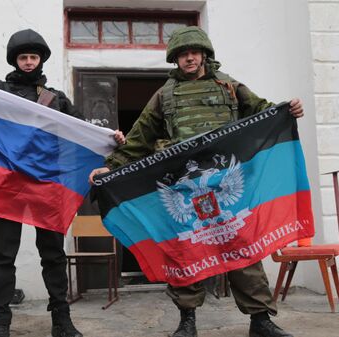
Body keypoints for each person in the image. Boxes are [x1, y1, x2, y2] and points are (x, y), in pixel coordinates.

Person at [89, 26, 303, 337]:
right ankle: (186, 321)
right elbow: (139, 138)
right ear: (175, 60)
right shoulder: (164, 96)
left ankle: (261, 321)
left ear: (204, 54)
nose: (189, 58)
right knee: (187, 251)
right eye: (182, 54)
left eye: (194, 52)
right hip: (186, 189)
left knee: (244, 250)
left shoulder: (228, 86)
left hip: (229, 183)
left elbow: (263, 111)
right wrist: (111, 167)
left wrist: (288, 110)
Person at [0, 29, 124, 337]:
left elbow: (84, 131)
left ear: (40, 60)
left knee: (53, 255)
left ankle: (62, 321)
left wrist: (112, 138)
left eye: (33, 57)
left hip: (48, 186)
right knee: (3, 257)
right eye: (23, 57)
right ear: (15, 60)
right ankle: (0, 325)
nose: (28, 62)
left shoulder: (58, 101)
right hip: (9, 185)